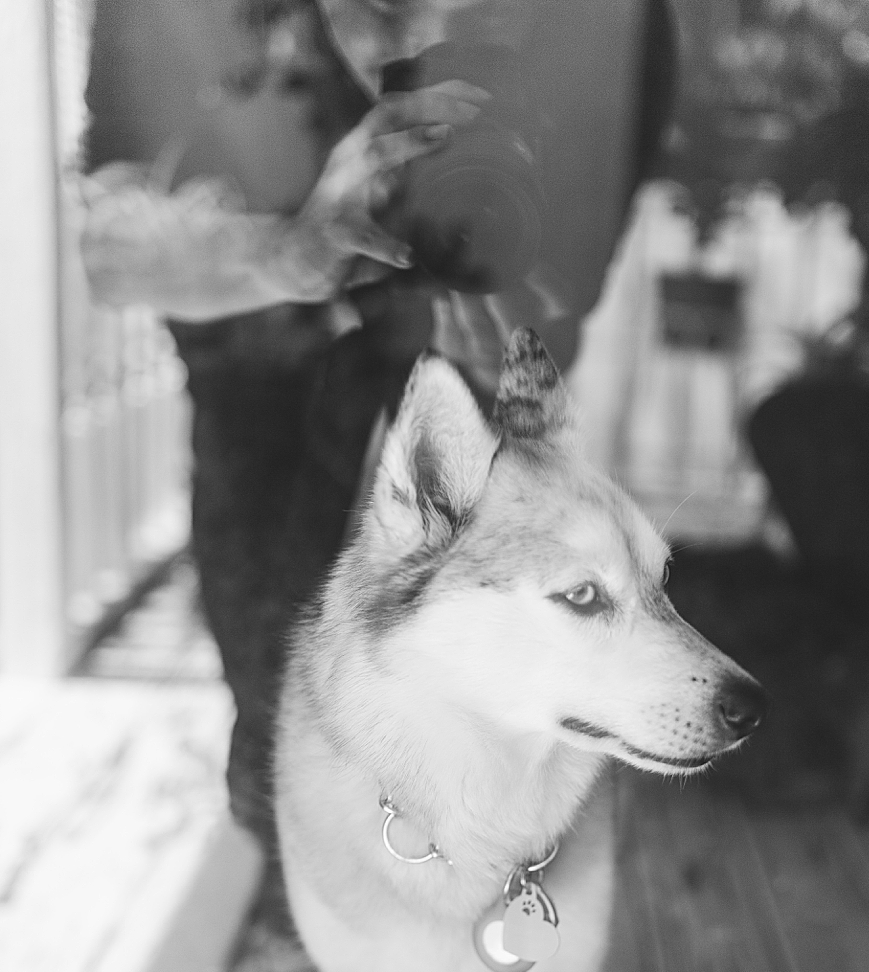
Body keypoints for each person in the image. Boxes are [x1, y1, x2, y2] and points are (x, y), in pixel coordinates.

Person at [78, 0, 676, 846]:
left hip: (476, 443)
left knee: (482, 785)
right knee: (281, 775)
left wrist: (516, 320)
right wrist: (282, 253)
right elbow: (106, 251)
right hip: (265, 431)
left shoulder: (609, 24)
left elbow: (564, 275)